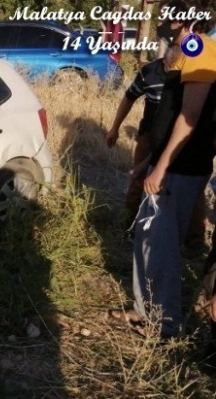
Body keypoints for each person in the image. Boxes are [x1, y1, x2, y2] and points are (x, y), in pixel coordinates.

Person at [118, 0, 216, 339]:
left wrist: (160, 167)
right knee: (147, 238)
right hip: (167, 165)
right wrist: (149, 161)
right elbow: (169, 114)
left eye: (169, 19)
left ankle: (164, 324)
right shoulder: (189, 52)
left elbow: (189, 120)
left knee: (160, 246)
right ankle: (145, 309)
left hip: (182, 168)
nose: (162, 24)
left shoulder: (201, 50)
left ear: (186, 22)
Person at [104, 46, 208, 253]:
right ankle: (130, 224)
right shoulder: (150, 72)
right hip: (150, 136)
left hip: (183, 140)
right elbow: (128, 98)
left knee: (192, 191)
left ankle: (194, 241)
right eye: (173, 67)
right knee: (139, 179)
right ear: (165, 63)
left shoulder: (196, 76)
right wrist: (114, 128)